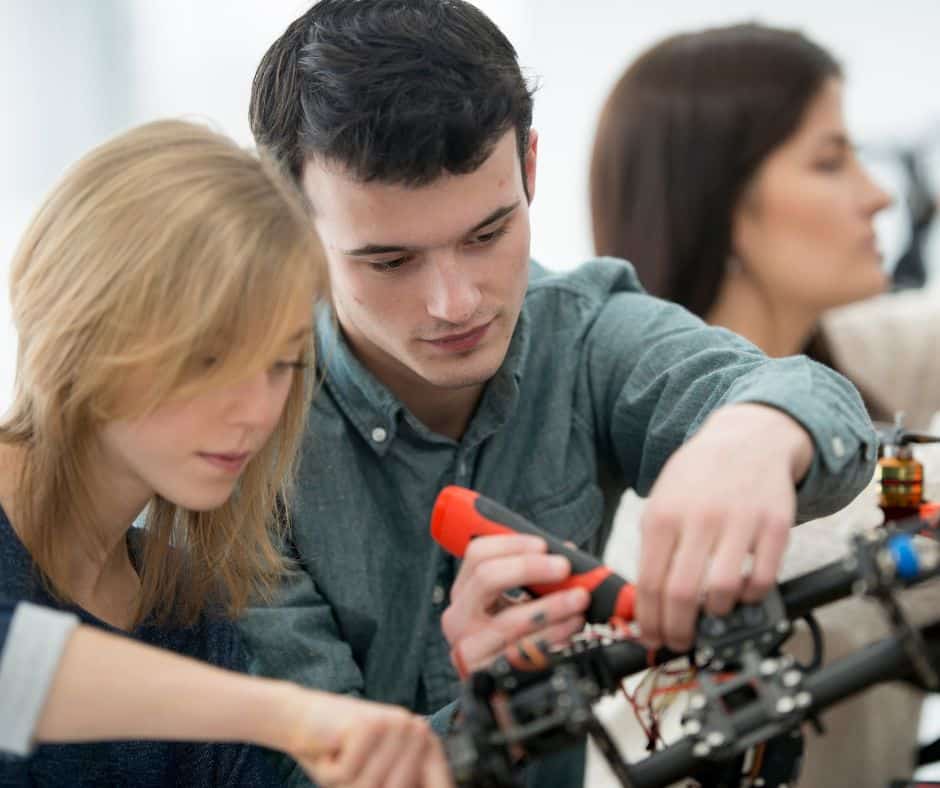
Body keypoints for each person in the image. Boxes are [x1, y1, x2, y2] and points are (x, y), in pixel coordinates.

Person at [240, 3, 879, 786]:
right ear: (289, 223)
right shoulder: (241, 435)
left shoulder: (584, 332)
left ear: (531, 169)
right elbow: (313, 776)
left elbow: (808, 398)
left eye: (488, 234)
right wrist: (485, 715)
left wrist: (757, 433)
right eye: (390, 262)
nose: (457, 303)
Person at [0, 119, 451, 788]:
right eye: (211, 358)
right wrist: (287, 715)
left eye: (282, 363)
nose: (257, 411)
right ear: (86, 327)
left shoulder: (190, 610)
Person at [588, 23, 933, 786]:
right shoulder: (695, 481)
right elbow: (903, 509)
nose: (877, 195)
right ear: (721, 201)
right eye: (830, 161)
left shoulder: (840, 350)